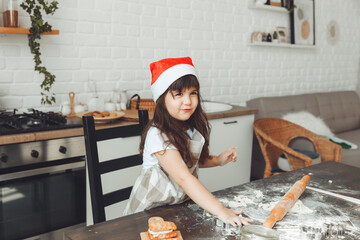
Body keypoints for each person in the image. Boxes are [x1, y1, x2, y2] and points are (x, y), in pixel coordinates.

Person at [124, 57, 252, 226]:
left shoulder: (191, 129)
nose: (188, 101)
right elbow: (183, 177)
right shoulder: (158, 135)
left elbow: (192, 161)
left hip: (177, 208)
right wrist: (222, 211)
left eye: (193, 93)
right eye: (179, 94)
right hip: (148, 214)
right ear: (162, 99)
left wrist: (219, 160)